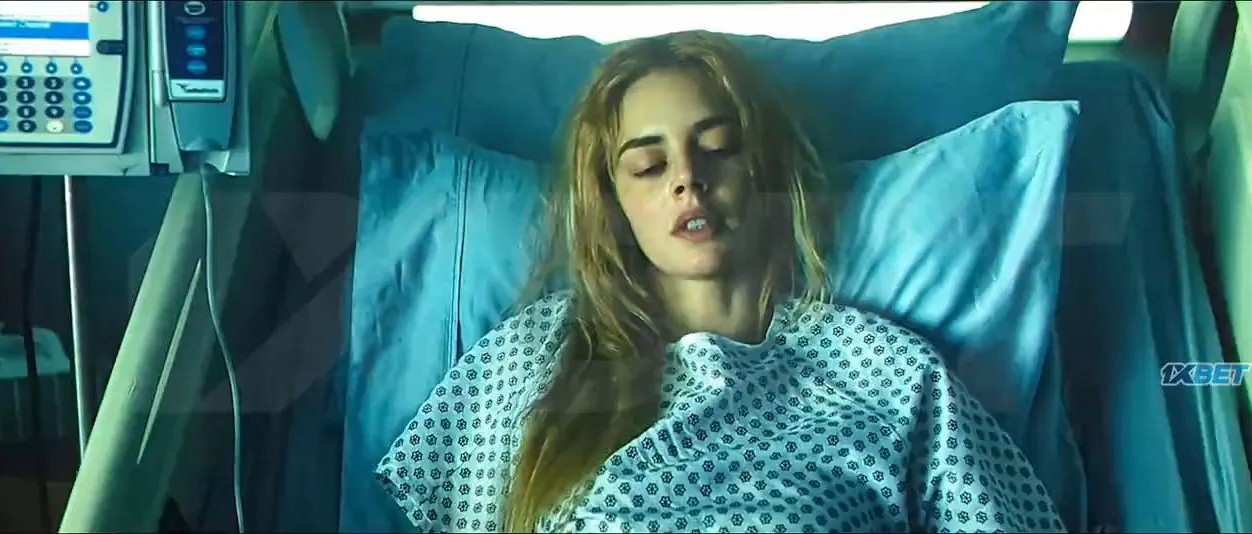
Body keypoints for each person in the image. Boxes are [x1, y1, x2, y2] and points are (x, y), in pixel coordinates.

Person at [374, 30, 1067, 533]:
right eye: (649, 166)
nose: (688, 179)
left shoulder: (888, 373)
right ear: (614, 202)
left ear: (765, 169)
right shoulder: (533, 357)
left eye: (717, 148)